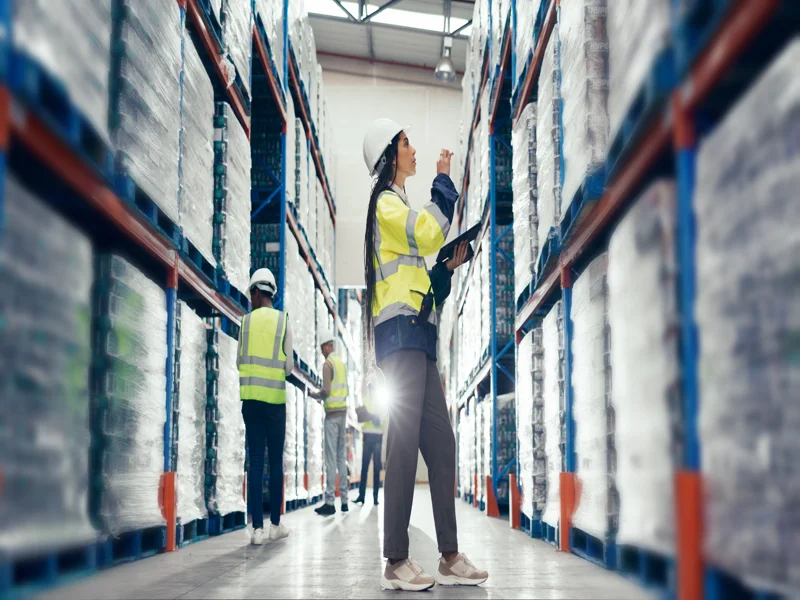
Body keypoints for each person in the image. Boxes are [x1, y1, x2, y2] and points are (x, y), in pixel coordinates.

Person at [362, 118, 488, 590]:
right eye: (406, 143)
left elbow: (425, 282)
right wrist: (443, 184)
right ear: (390, 156)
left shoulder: (400, 208)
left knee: (441, 444)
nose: (413, 149)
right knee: (401, 449)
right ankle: (396, 559)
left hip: (419, 338)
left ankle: (449, 556)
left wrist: (448, 269)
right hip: (400, 338)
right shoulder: (386, 206)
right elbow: (429, 231)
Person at [237, 268, 292, 545]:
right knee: (274, 462)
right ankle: (275, 525)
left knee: (255, 462)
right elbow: (289, 366)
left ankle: (256, 530)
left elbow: (239, 361)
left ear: (257, 292)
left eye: (251, 294)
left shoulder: (244, 322)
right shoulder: (283, 321)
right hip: (275, 403)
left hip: (251, 402)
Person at [309, 331, 350, 515]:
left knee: (331, 459)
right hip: (343, 414)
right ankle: (345, 501)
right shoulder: (341, 363)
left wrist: (313, 395)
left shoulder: (328, 364)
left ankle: (330, 502)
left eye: (321, 348)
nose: (321, 352)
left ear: (326, 346)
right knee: (341, 458)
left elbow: (326, 390)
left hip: (332, 416)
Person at [354, 379, 388, 506]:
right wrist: (370, 416)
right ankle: (361, 496)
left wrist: (372, 416)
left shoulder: (381, 403)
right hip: (367, 436)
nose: (370, 391)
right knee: (364, 467)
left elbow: (382, 420)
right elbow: (363, 417)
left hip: (377, 437)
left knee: (376, 469)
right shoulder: (366, 400)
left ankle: (375, 497)